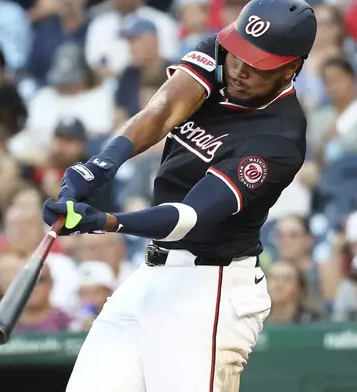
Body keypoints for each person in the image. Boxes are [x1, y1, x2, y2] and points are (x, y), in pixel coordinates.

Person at [41, 1, 317, 390]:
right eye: (238, 53)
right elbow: (163, 108)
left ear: (292, 67)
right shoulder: (222, 53)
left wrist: (105, 222)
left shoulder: (279, 139)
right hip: (152, 274)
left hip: (211, 289)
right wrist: (100, 165)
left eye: (258, 64)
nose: (239, 69)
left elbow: (189, 216)